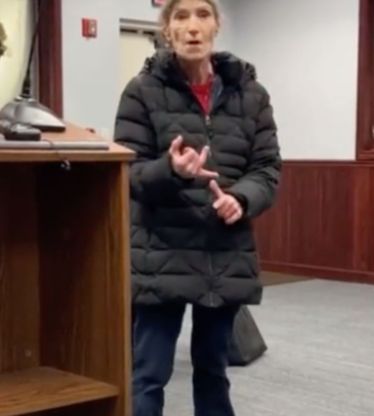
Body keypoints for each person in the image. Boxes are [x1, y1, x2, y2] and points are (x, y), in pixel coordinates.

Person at [114, 0, 281, 414]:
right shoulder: (141, 91)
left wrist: (241, 199)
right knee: (148, 375)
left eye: (203, 15)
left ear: (216, 26)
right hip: (160, 253)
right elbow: (130, 174)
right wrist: (171, 170)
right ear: (167, 29)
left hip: (223, 252)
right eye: (181, 17)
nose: (192, 27)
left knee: (213, 370)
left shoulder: (252, 94)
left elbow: (266, 169)